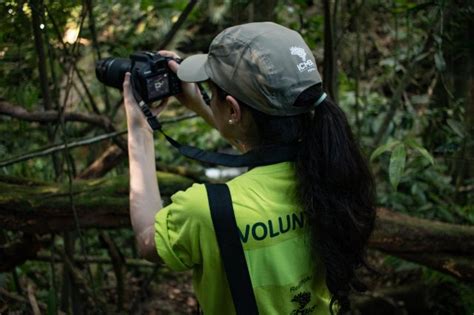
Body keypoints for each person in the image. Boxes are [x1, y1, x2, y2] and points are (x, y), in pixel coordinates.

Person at [123, 22, 376, 315]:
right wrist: (203, 106)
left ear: (233, 110)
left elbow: (146, 240)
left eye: (212, 91)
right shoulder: (334, 174)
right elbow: (263, 147)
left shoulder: (207, 210)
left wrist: (139, 127)